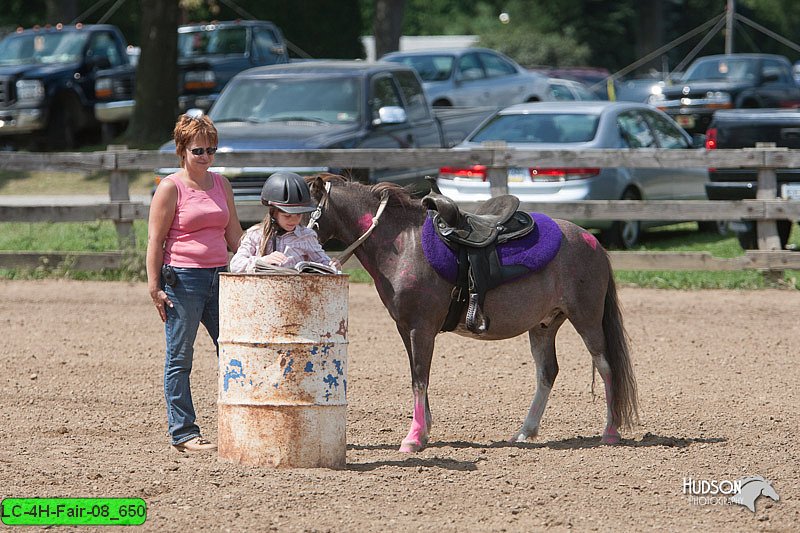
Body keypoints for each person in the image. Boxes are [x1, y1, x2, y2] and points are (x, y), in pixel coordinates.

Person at [146, 113, 243, 453]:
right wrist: (155, 286)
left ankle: (239, 423)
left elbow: (235, 238)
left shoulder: (222, 185)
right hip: (183, 280)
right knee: (180, 357)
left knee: (234, 351)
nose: (206, 157)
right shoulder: (170, 188)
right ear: (182, 150)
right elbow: (155, 242)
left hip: (220, 277)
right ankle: (184, 432)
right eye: (199, 150)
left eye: (211, 150)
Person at [230, 172, 339, 273]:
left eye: (299, 215)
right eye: (287, 216)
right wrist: (262, 261)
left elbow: (324, 263)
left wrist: (332, 265)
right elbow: (235, 265)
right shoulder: (255, 234)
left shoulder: (307, 236)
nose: (294, 220)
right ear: (273, 212)